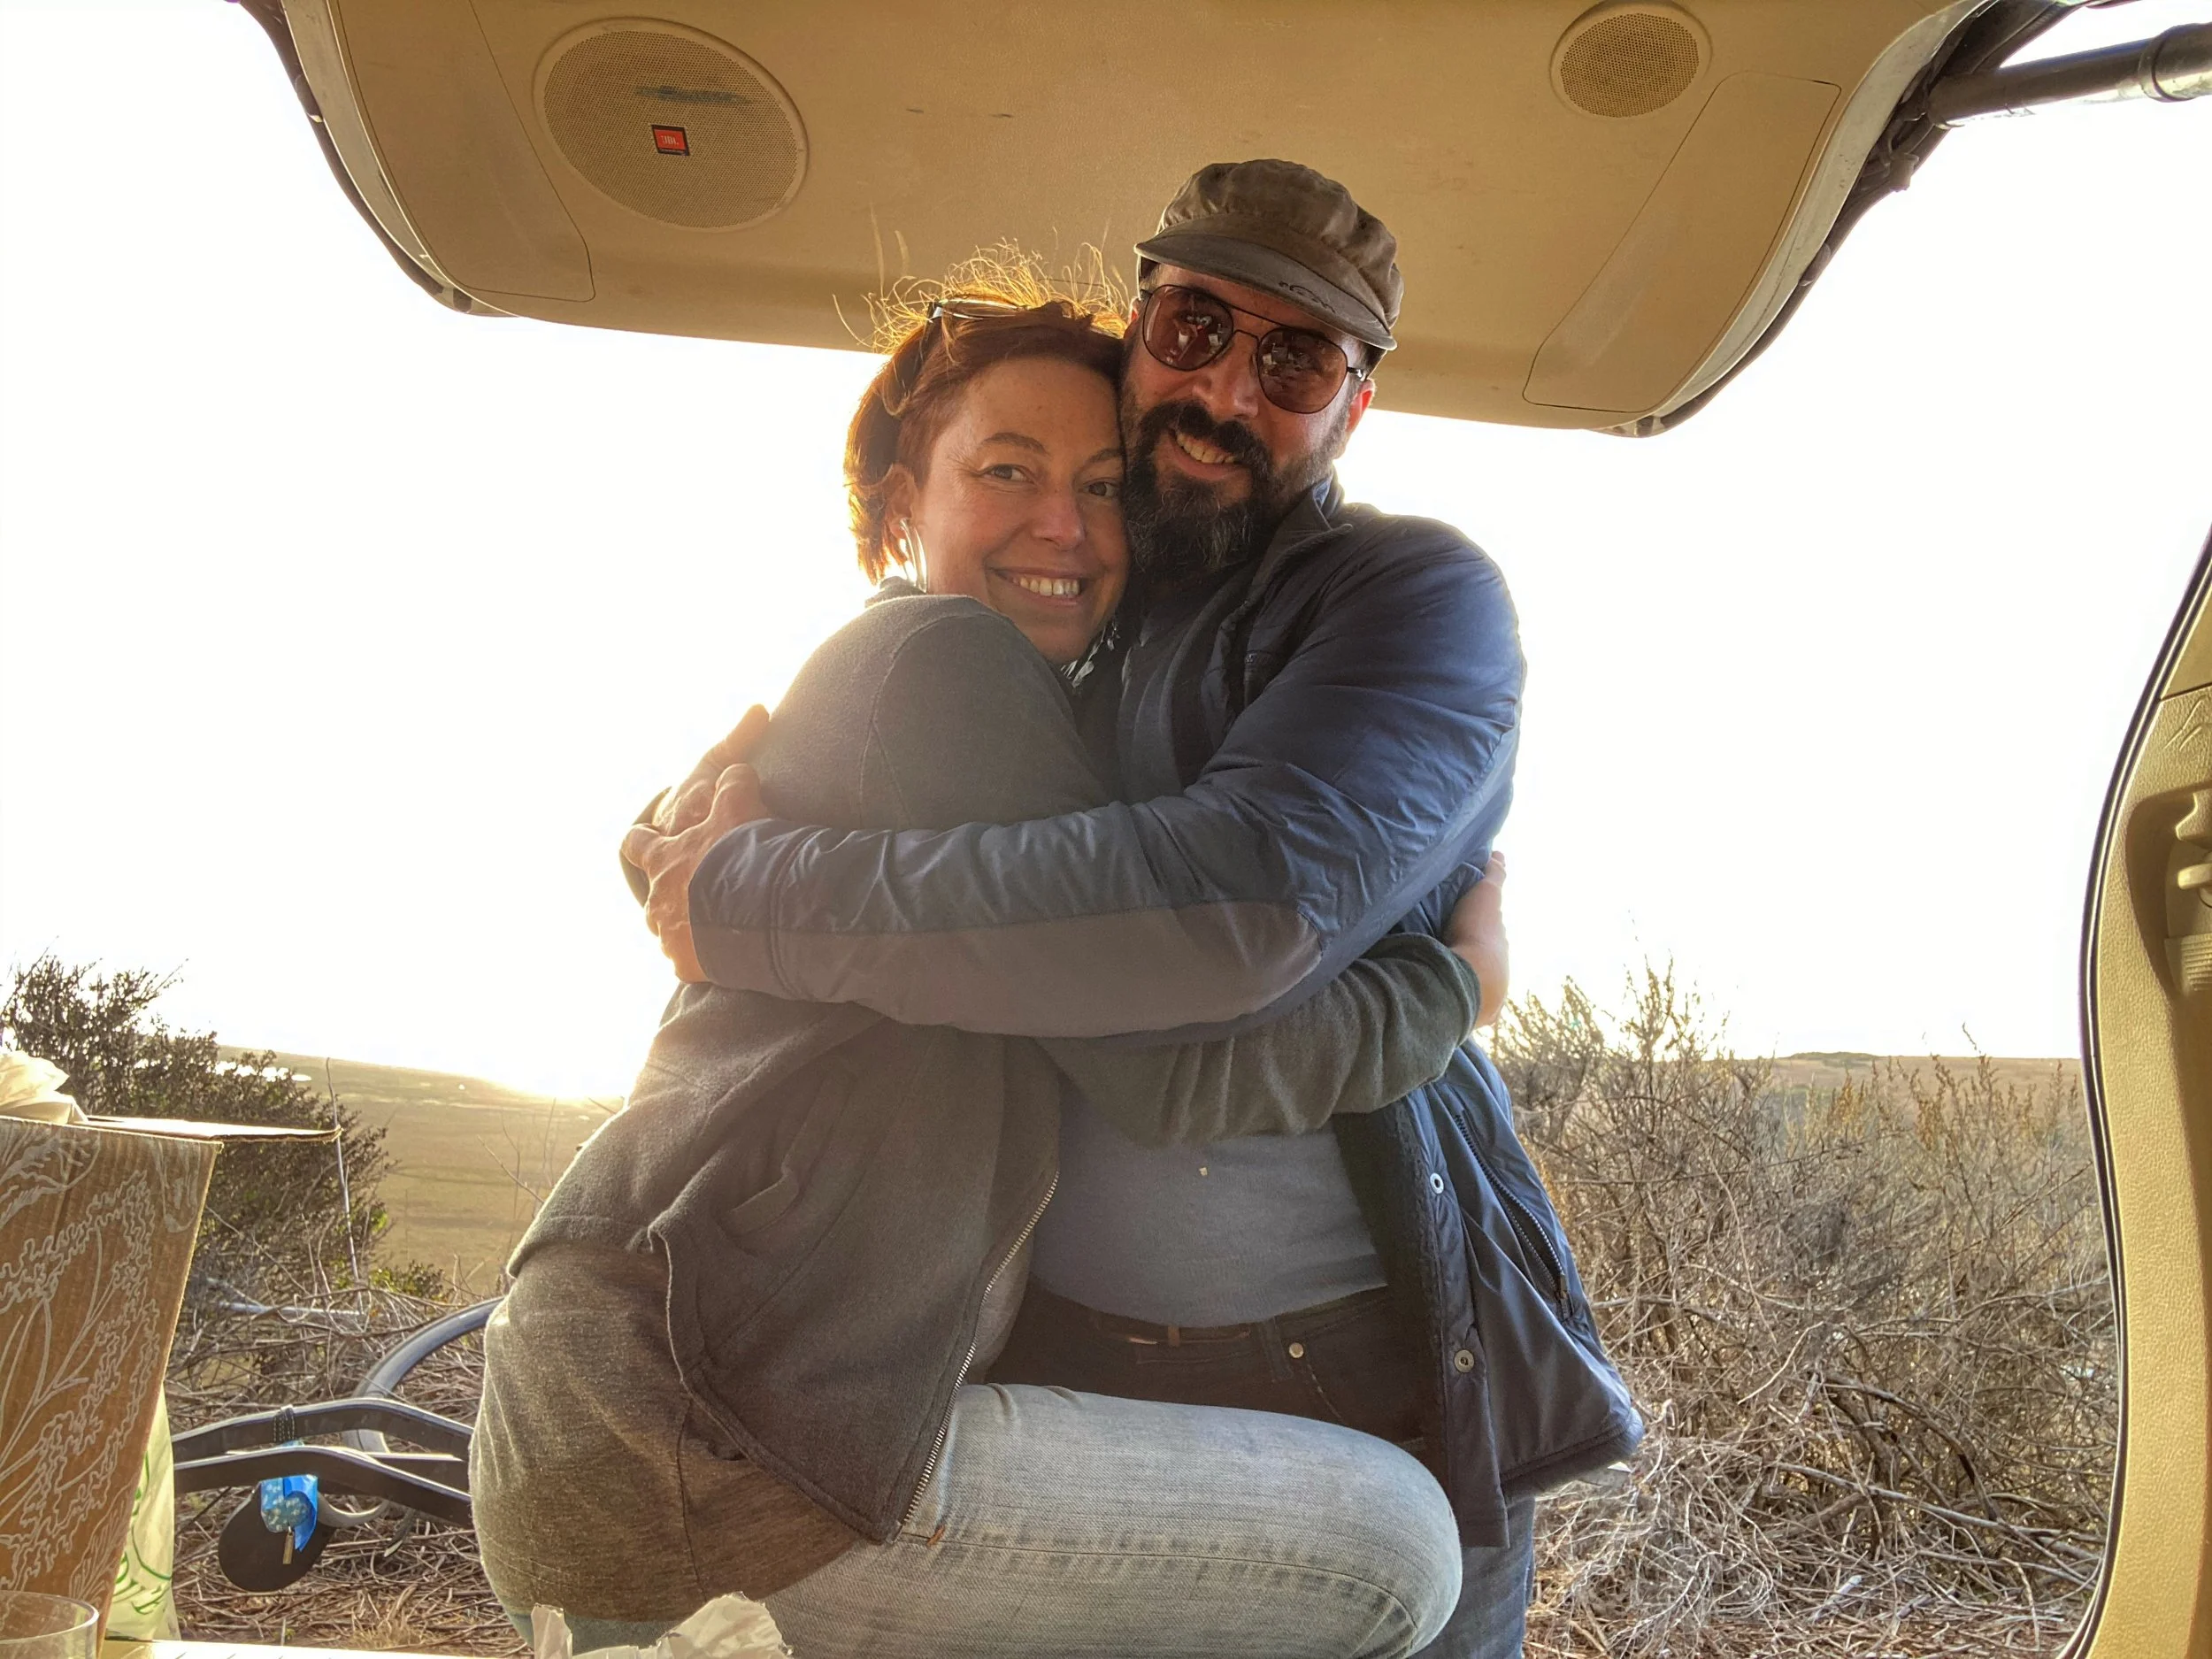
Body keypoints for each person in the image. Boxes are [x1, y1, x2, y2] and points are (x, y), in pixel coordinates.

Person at [626, 160, 1644, 1659]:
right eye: (1192, 328)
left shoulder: (1410, 602)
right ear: (1140, 334)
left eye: (1293, 357)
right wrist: (1449, 994)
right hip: (1058, 1365)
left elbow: (1224, 917)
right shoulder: (1055, 631)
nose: (1225, 387)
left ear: (1355, 404)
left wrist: (750, 894)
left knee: (1407, 1582)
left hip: (1357, 1371)